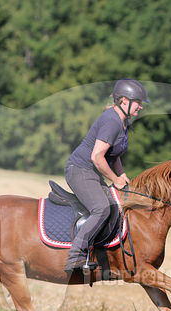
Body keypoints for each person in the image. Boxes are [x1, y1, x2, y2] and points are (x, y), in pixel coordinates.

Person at [63, 78, 149, 272]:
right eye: (139, 102)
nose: (141, 107)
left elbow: (113, 154)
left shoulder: (122, 121)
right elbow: (97, 156)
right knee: (101, 208)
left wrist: (122, 175)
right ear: (124, 101)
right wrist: (115, 179)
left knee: (115, 205)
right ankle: (75, 255)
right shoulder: (112, 121)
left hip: (92, 172)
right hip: (80, 170)